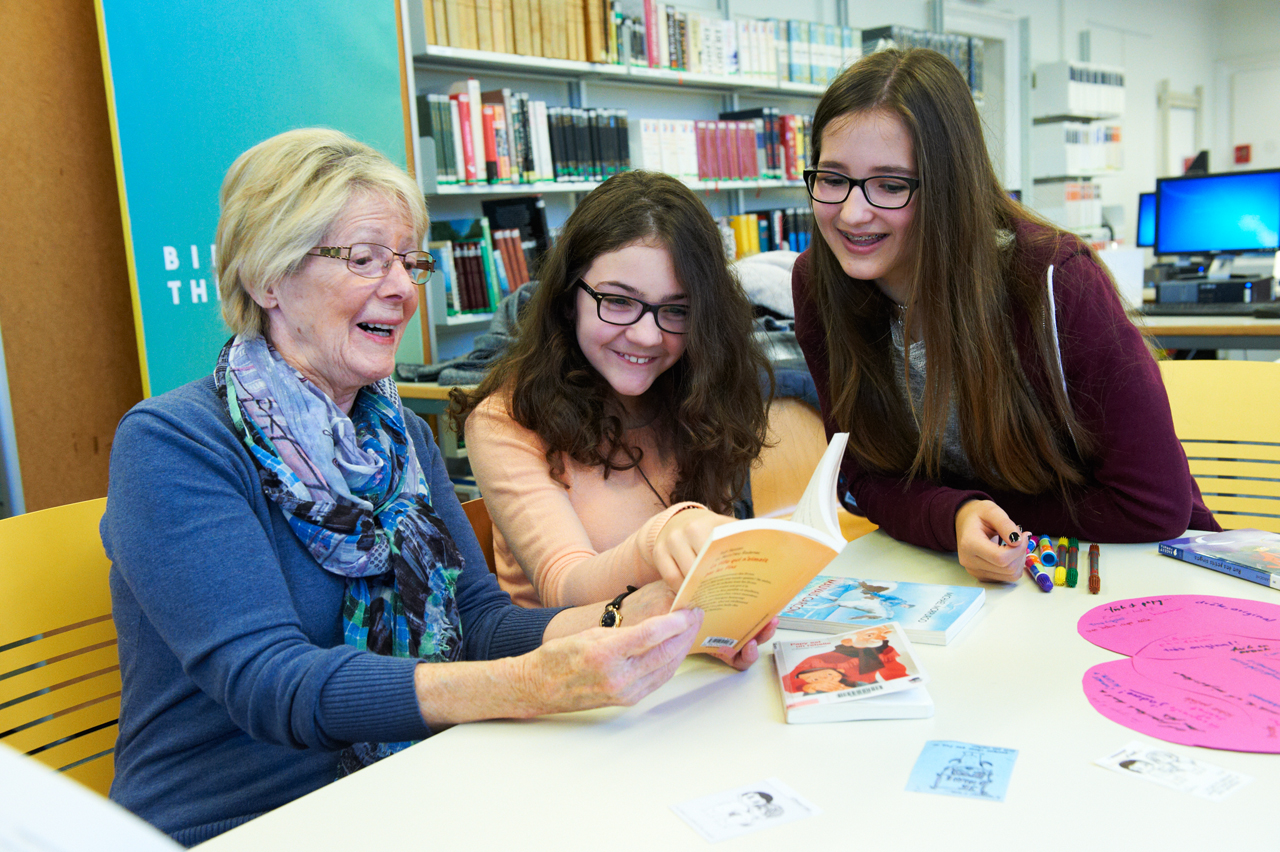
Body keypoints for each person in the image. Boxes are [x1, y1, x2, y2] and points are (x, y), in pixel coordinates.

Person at [99, 129, 754, 846]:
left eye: (409, 262)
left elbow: (478, 624)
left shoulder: (399, 435)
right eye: (364, 260)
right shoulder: (174, 442)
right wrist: (528, 685)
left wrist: (636, 617)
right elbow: (271, 683)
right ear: (267, 279)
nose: (402, 289)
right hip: (237, 823)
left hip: (408, 790)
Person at [792, 48, 1219, 583]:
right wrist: (956, 516)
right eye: (833, 179)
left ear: (950, 186)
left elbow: (1153, 505)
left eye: (891, 185)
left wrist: (966, 511)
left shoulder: (1053, 280)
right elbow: (859, 479)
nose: (853, 213)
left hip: (1132, 569)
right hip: (978, 576)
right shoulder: (820, 284)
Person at [451, 170, 773, 623]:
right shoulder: (505, 421)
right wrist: (664, 534)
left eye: (676, 310)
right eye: (619, 302)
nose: (646, 336)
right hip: (577, 660)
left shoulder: (695, 396)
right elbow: (564, 587)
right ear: (569, 298)